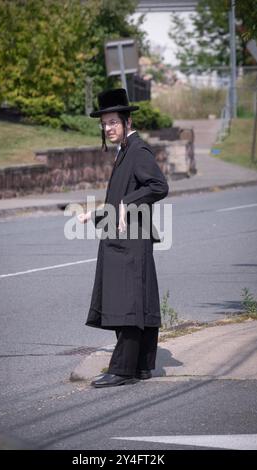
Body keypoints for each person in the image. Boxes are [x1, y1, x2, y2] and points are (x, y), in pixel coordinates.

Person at [77, 88, 169, 388]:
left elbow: (158, 186)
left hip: (131, 241)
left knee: (127, 302)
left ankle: (123, 370)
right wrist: (97, 214)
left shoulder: (138, 150)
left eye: (113, 122)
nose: (108, 128)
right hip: (123, 238)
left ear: (127, 122)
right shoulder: (125, 151)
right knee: (132, 300)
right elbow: (120, 198)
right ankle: (141, 366)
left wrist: (128, 204)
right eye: (104, 124)